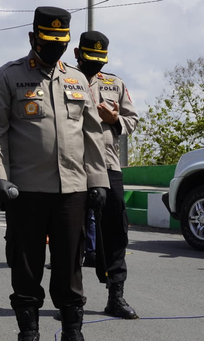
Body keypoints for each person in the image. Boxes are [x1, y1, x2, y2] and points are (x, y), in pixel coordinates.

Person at [0, 7, 109, 341]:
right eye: (48, 41)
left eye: (61, 43)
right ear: (33, 38)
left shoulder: (78, 80)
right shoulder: (8, 76)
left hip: (72, 190)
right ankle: (28, 334)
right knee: (26, 264)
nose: (55, 48)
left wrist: (98, 180)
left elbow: (93, 135)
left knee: (70, 265)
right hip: (25, 190)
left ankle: (72, 335)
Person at [74, 30, 140, 321]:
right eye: (90, 59)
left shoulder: (116, 84)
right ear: (77, 54)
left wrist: (115, 120)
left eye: (100, 60)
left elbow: (132, 120)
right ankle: (71, 299)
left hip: (108, 166)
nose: (96, 66)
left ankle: (116, 296)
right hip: (71, 166)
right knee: (72, 234)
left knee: (116, 232)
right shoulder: (64, 79)